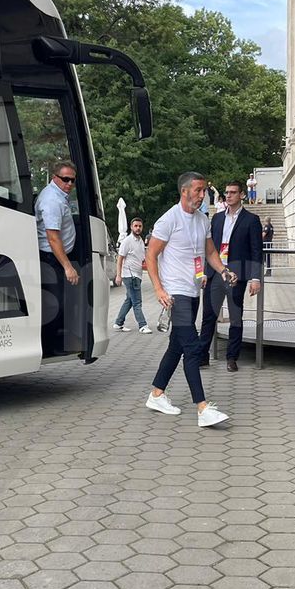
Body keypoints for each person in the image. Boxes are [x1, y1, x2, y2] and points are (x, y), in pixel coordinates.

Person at [145, 172, 238, 428]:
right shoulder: (168, 220)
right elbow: (151, 255)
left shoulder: (202, 220)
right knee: (192, 348)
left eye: (204, 191)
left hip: (194, 289)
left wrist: (223, 270)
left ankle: (156, 394)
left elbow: (208, 251)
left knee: (176, 346)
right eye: (198, 190)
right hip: (175, 294)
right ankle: (203, 407)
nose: (202, 195)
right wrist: (159, 290)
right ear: (184, 191)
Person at [199, 181, 263, 372]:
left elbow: (256, 251)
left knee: (235, 317)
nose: (228, 196)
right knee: (208, 316)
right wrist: (202, 272)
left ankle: (232, 357)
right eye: (226, 193)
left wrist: (255, 278)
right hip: (215, 273)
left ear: (242, 195)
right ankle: (202, 356)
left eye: (233, 192)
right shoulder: (217, 219)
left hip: (237, 275)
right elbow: (208, 249)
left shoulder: (251, 220)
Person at [36, 161, 79, 355]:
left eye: (72, 180)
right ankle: (50, 347)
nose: (69, 183)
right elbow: (53, 238)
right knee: (54, 305)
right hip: (50, 258)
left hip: (55, 257)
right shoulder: (52, 200)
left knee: (59, 302)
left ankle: (57, 343)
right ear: (55, 177)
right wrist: (68, 267)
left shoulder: (60, 196)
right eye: (65, 179)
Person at [114, 218, 153, 334]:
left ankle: (118, 323)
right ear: (131, 227)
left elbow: (142, 259)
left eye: (140, 226)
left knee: (130, 300)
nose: (138, 228)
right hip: (129, 275)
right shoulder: (127, 241)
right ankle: (142, 325)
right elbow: (120, 258)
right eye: (135, 226)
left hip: (138, 275)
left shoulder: (141, 241)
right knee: (137, 302)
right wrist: (118, 275)